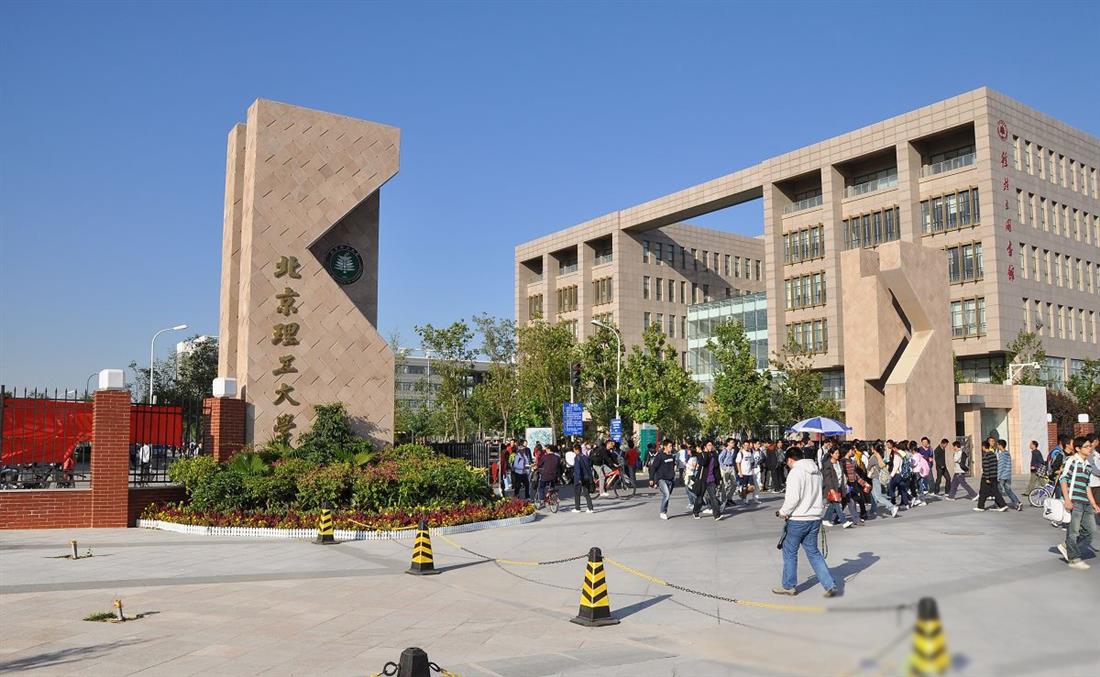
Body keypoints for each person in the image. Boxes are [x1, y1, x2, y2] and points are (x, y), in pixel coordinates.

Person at [773, 449, 838, 598]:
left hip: (798, 518)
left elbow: (793, 498)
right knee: (813, 552)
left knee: (790, 552)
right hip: (814, 517)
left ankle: (789, 586)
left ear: (790, 459)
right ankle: (830, 584)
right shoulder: (816, 472)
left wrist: (782, 512)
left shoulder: (795, 472)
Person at [1056, 436, 1098, 569]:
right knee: (1073, 531)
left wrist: (1094, 503)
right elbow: (1063, 479)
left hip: (1085, 502)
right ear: (1078, 449)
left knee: (1090, 530)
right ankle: (1074, 559)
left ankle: (1066, 546)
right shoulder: (1071, 460)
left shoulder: (1088, 465)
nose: (1090, 448)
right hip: (1074, 501)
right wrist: (1067, 500)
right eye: (1087, 446)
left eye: (1090, 446)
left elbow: (1087, 486)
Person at [692, 441, 725, 520]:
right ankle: (695, 511)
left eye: (711, 445)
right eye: (709, 445)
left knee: (713, 497)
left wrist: (719, 479)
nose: (711, 446)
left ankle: (717, 515)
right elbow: (703, 463)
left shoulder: (714, 455)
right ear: (705, 446)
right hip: (702, 480)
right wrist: (706, 453)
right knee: (700, 498)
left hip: (711, 479)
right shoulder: (701, 455)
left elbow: (716, 468)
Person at [821, 446, 853, 528]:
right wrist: (831, 489)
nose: (837, 454)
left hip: (839, 486)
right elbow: (827, 478)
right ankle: (844, 521)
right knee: (837, 504)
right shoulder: (827, 464)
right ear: (831, 454)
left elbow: (842, 475)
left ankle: (826, 519)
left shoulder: (840, 463)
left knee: (832, 505)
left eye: (838, 453)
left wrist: (845, 484)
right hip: (831, 487)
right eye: (835, 453)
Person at [865, 443, 898, 518]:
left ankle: (892, 507)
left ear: (874, 449)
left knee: (878, 496)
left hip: (875, 478)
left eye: (871, 448)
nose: (870, 449)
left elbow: (868, 467)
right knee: (873, 495)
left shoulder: (873, 457)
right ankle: (873, 510)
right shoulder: (880, 455)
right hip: (879, 477)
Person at [975, 440, 1008, 512]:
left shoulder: (985, 456)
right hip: (994, 476)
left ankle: (980, 507)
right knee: (995, 491)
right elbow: (995, 465)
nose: (981, 448)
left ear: (984, 447)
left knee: (983, 491)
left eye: (982, 447)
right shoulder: (993, 454)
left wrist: (987, 478)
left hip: (987, 477)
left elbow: (986, 467)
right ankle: (1003, 505)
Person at [649, 439, 678, 519]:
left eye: (672, 446)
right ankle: (663, 512)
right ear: (665, 446)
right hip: (661, 479)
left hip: (671, 480)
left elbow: (673, 466)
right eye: (670, 446)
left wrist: (673, 475)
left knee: (667, 496)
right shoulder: (660, 456)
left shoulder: (672, 456)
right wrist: (651, 479)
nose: (671, 447)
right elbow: (653, 467)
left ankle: (664, 510)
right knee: (667, 495)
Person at [995, 439, 1023, 511]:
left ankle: (1000, 505)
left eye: (997, 445)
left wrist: (998, 476)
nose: (997, 446)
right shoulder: (1008, 454)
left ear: (1000, 445)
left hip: (1002, 476)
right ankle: (1018, 502)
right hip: (1008, 475)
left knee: (998, 491)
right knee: (1008, 490)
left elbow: (1000, 466)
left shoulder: (1002, 455)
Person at [571, 445, 595, 514]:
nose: (574, 451)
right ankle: (590, 508)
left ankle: (577, 508)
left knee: (577, 493)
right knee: (586, 493)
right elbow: (589, 468)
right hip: (587, 477)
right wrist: (591, 477)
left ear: (577, 450)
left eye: (574, 450)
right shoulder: (585, 457)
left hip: (580, 478)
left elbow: (577, 469)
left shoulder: (577, 457)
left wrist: (578, 478)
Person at [718, 439, 738, 507]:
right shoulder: (725, 450)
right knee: (725, 485)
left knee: (734, 484)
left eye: (733, 442)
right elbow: (720, 458)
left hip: (731, 467)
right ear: (728, 443)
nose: (733, 443)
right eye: (732, 442)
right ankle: (723, 500)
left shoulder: (733, 450)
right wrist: (723, 467)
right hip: (725, 467)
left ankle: (729, 498)